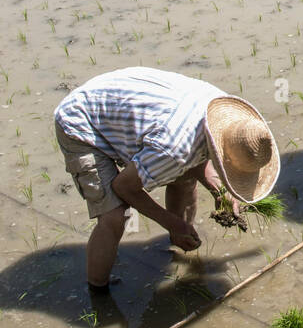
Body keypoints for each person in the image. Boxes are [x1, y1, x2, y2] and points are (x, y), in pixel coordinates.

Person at [54, 68, 279, 289]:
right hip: (81, 122)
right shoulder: (174, 149)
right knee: (115, 215)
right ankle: (98, 293)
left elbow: (198, 154)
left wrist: (219, 191)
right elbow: (124, 187)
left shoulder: (223, 114)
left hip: (124, 108)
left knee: (183, 178)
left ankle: (181, 241)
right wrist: (172, 222)